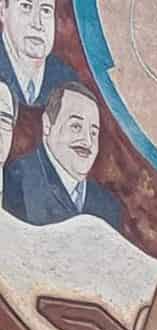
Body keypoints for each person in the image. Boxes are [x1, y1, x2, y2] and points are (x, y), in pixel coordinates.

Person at [2, 81, 123, 230]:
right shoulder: (16, 180)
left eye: (93, 132)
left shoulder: (108, 206)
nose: (87, 141)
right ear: (47, 125)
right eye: (76, 127)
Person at [0, 0, 76, 110]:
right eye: (26, 6)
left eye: (46, 10)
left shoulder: (67, 81)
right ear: (2, 10)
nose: (37, 24)